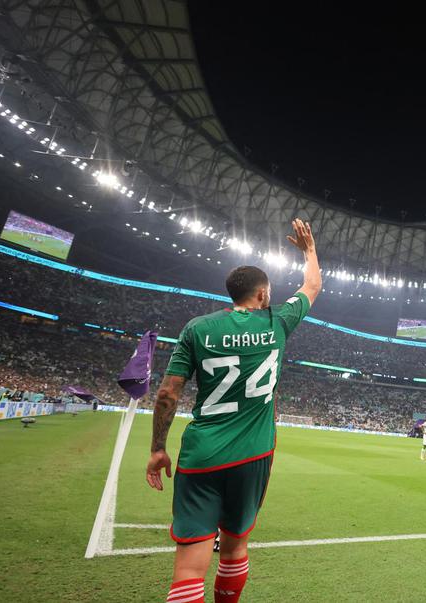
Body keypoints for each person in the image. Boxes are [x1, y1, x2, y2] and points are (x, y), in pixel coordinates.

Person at [145, 219, 322, 603]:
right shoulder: (276, 322)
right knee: (234, 548)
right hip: (253, 456)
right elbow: (312, 286)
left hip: (202, 453)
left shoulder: (197, 328)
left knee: (190, 566)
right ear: (262, 295)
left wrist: (158, 447)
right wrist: (308, 251)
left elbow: (167, 394)